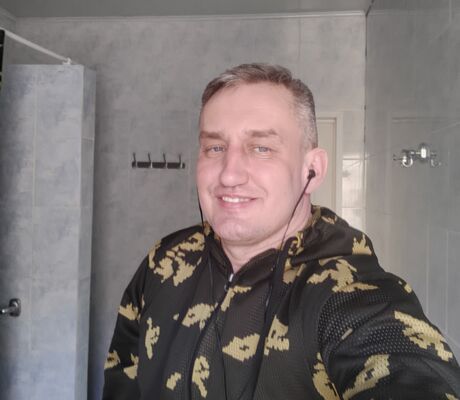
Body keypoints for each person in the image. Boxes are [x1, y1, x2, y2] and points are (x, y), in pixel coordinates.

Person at [103, 63, 460, 400]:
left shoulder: (348, 292)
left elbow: (411, 373)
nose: (229, 174)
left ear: (312, 170)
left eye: (261, 148)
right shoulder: (164, 260)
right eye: (215, 147)